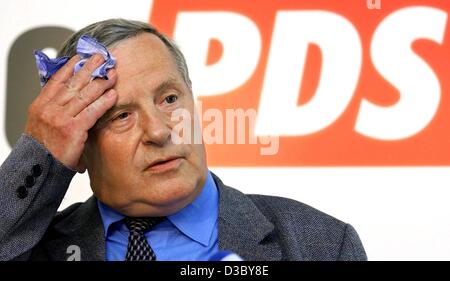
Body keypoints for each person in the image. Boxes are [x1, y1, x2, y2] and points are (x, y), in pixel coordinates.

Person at [0, 19, 367, 261]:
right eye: (121, 116)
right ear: (76, 145)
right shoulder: (32, 247)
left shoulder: (319, 243)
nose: (160, 131)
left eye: (170, 99)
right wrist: (40, 151)